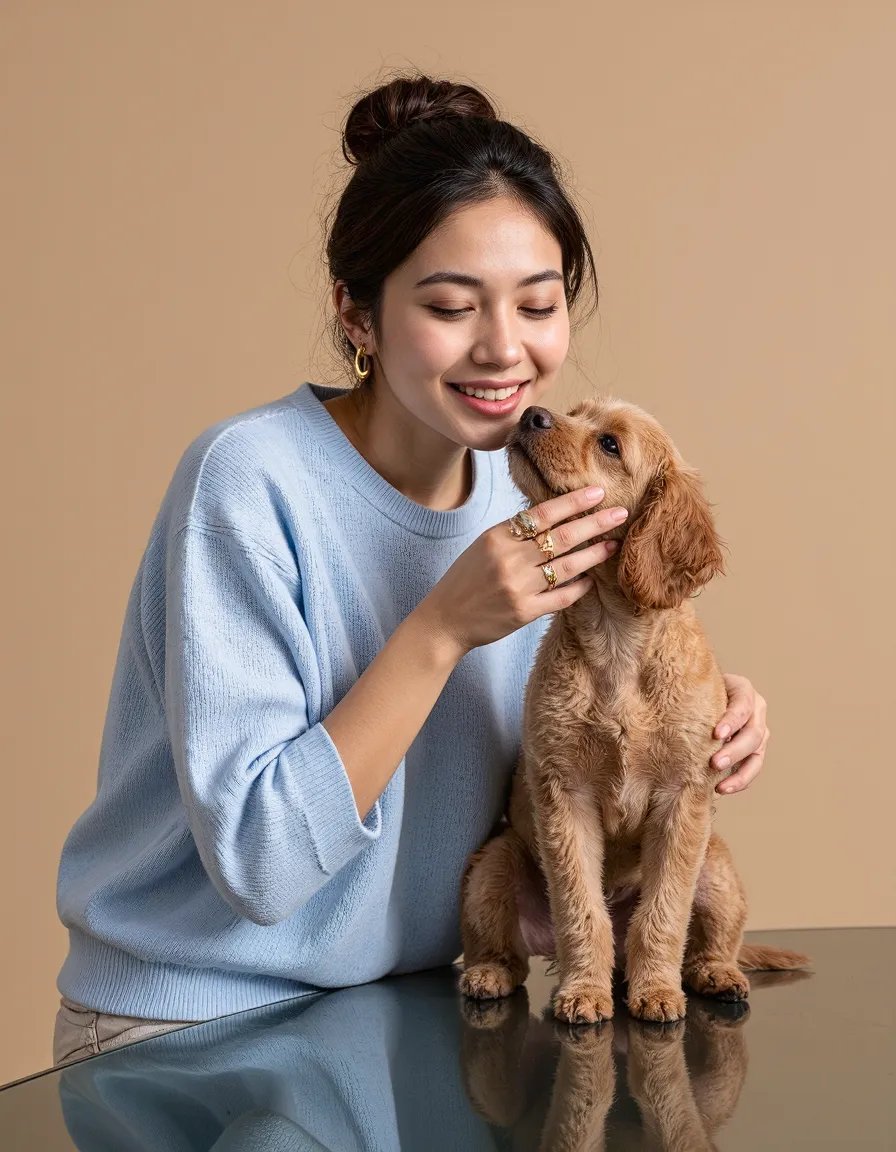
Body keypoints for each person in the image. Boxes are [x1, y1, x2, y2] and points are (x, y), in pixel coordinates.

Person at [52, 74, 770, 1067]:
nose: (503, 349)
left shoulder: (520, 491)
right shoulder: (248, 484)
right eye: (447, 305)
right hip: (197, 1025)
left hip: (415, 1014)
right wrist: (440, 629)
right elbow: (262, 869)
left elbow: (541, 768)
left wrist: (691, 713)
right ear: (355, 312)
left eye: (537, 303)